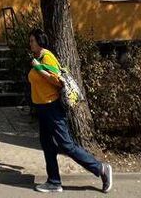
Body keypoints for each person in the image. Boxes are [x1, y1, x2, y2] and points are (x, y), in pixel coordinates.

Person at [27, 29, 112, 193]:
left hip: (51, 108)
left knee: (66, 145)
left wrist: (39, 68)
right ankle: (54, 182)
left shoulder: (47, 57)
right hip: (42, 108)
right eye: (30, 41)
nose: (30, 43)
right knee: (47, 145)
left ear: (39, 41)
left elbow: (58, 81)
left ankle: (101, 168)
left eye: (32, 41)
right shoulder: (38, 57)